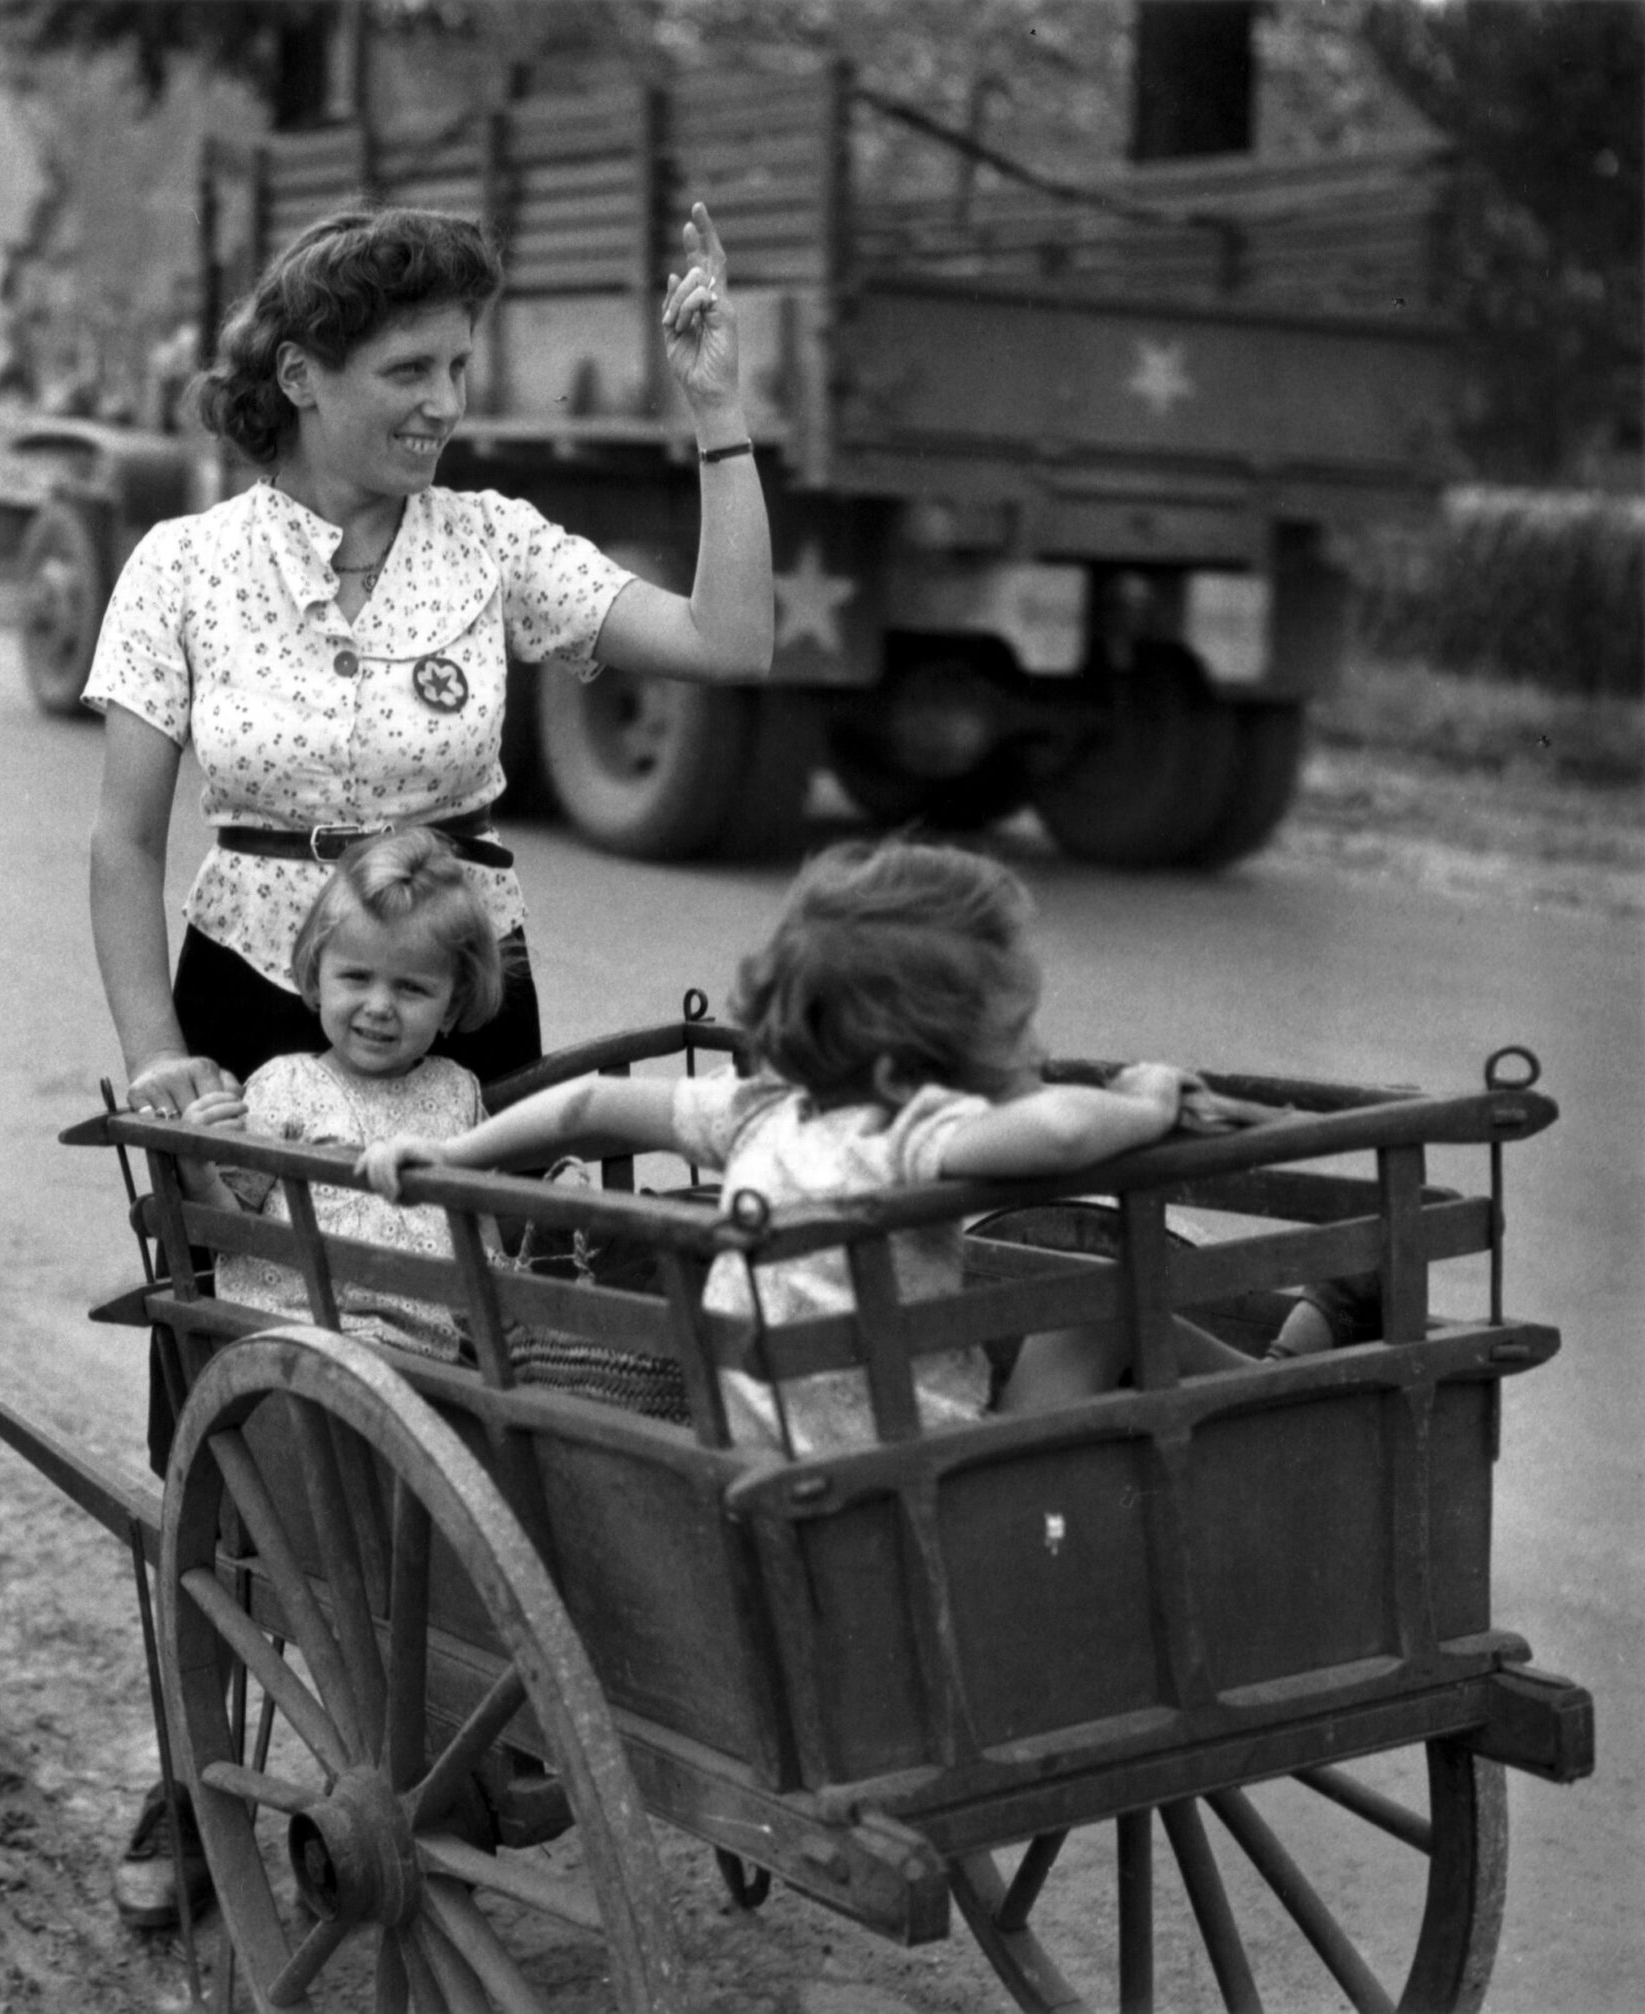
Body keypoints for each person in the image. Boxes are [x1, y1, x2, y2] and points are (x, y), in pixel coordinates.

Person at [84, 199, 773, 1926]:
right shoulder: (181, 565)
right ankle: (201, 1764)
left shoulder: (493, 541)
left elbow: (733, 641)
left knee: (485, 1361)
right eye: (408, 367)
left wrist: (720, 413)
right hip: (248, 998)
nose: (444, 397)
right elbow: (119, 846)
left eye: (459, 362)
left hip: (471, 1012)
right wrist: (158, 1057)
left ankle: (480, 1711)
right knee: (233, 1402)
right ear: (300, 377)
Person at [361, 839, 1258, 1454]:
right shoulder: (904, 1135)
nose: (1030, 1051)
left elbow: (584, 1106)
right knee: (1101, 1308)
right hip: (924, 1470)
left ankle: (1288, 1375)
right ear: (929, 1053)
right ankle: (1292, 1390)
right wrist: (1142, 1100)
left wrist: (451, 1157)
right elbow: (1062, 1127)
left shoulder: (758, 1113)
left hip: (764, 1458)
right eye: (1015, 1029)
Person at [174, 826, 504, 1359]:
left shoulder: (455, 1091)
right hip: (299, 1337)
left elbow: (479, 1225)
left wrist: (499, 1324)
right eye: (355, 978)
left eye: (412, 988)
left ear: (452, 1001)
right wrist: (199, 1172)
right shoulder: (285, 1086)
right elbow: (229, 1231)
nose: (379, 1006)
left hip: (427, 1353)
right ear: (316, 976)